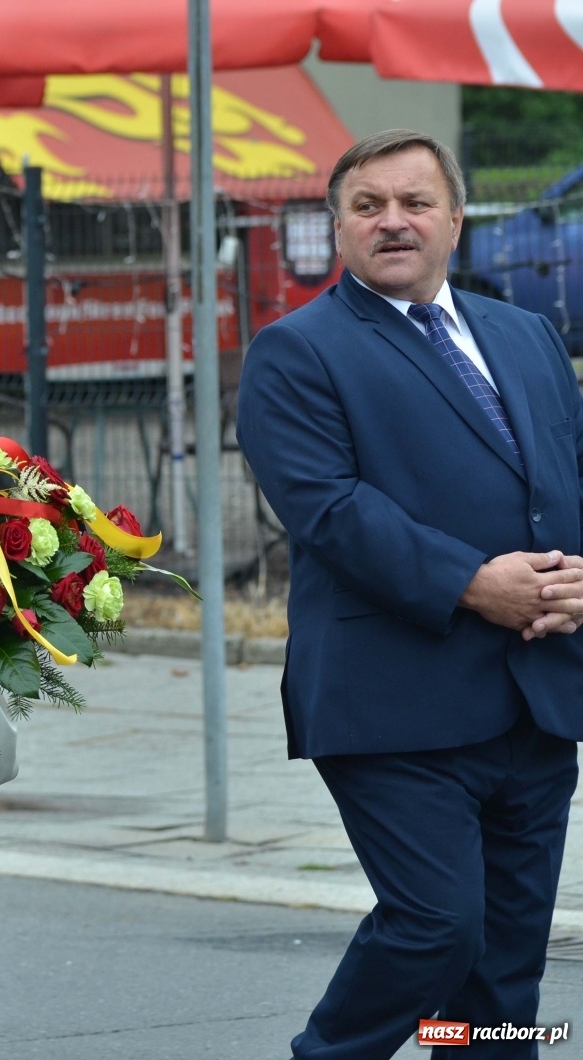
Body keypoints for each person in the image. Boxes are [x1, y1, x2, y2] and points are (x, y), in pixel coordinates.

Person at [237, 129, 583, 1058]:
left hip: (537, 697)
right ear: (339, 226)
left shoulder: (526, 333)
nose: (394, 221)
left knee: (505, 973)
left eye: (416, 203)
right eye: (368, 206)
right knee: (438, 925)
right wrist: (474, 585)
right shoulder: (295, 351)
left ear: (456, 220)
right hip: (394, 700)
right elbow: (330, 510)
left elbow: (571, 479)